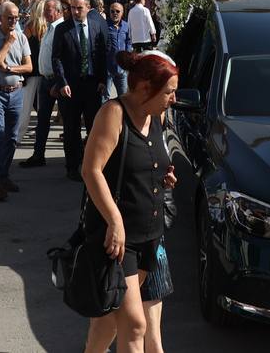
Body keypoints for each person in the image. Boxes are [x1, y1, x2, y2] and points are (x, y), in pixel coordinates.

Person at [80, 51, 179, 353]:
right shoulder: (114, 113)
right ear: (145, 88)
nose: (173, 99)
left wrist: (164, 177)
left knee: (111, 319)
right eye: (169, 92)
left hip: (150, 235)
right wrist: (114, 220)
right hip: (120, 241)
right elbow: (91, 169)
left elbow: (147, 161)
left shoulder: (156, 114)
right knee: (135, 325)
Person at [52, 0, 111, 180]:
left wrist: (103, 79)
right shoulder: (62, 29)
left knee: (94, 127)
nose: (75, 12)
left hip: (92, 86)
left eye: (79, 8)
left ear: (87, 8)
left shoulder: (96, 26)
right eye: (72, 8)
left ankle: (93, 164)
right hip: (70, 87)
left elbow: (102, 53)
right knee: (71, 128)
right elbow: (57, 57)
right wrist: (62, 82)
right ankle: (72, 166)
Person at [0, 2, 32, 202]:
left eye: (16, 17)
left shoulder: (22, 37)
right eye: (10, 18)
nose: (14, 21)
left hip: (16, 92)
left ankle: (4, 175)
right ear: (0, 17)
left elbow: (29, 66)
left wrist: (10, 69)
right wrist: (7, 43)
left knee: (12, 137)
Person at [19, 0, 62, 170]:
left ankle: (72, 162)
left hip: (55, 80)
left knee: (68, 119)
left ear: (57, 11)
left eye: (48, 9)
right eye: (44, 9)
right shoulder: (49, 28)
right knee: (42, 120)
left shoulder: (60, 29)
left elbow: (62, 58)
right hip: (45, 79)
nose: (45, 12)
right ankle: (38, 154)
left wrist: (59, 82)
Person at [104, 0, 132, 99]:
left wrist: (127, 55)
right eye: (112, 11)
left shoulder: (126, 25)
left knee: (124, 97)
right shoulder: (104, 25)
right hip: (107, 68)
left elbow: (128, 41)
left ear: (122, 13)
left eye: (117, 11)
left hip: (121, 68)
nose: (115, 13)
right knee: (104, 97)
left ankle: (121, 114)